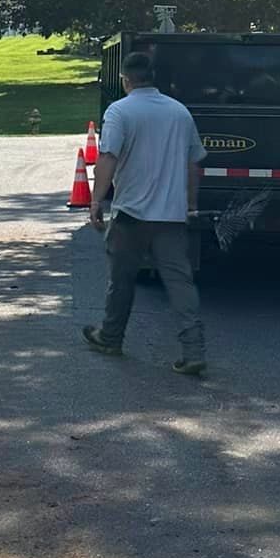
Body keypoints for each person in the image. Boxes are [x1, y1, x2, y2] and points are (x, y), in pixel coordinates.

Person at [82, 51, 208, 377]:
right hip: (171, 216)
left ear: (125, 80)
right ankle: (193, 350)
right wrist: (190, 203)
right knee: (180, 283)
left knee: (121, 280)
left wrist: (96, 201)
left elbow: (108, 158)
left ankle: (110, 337)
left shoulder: (121, 111)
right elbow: (194, 163)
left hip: (131, 214)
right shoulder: (179, 112)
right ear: (153, 78)